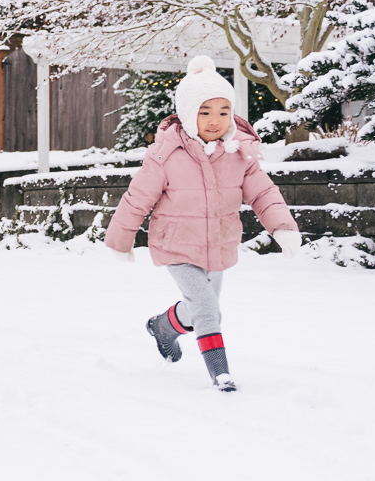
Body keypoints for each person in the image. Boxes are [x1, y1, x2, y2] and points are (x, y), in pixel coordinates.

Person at [105, 56, 301, 392]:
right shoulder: (166, 153)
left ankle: (163, 327)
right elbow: (138, 197)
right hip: (176, 244)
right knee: (208, 308)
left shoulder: (240, 153)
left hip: (219, 243)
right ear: (187, 113)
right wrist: (120, 240)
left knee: (200, 309)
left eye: (224, 112)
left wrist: (282, 227)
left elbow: (263, 193)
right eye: (205, 112)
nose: (215, 120)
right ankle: (220, 374)